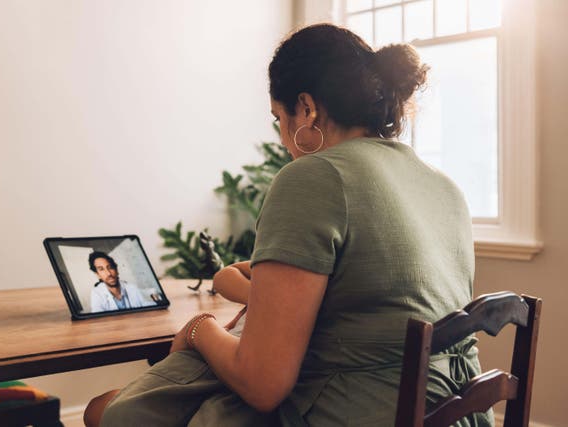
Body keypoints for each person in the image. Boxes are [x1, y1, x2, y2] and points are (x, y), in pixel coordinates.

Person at [85, 23, 491, 426]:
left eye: (278, 117)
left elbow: (263, 383)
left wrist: (199, 329)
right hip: (458, 411)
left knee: (118, 412)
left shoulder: (314, 177)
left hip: (363, 411)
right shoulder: (444, 188)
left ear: (307, 109)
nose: (281, 137)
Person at [88, 251, 153, 312]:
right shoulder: (97, 293)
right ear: (98, 275)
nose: (108, 273)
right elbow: (98, 315)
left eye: (110, 267)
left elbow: (147, 304)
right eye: (101, 269)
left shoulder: (132, 288)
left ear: (116, 270)